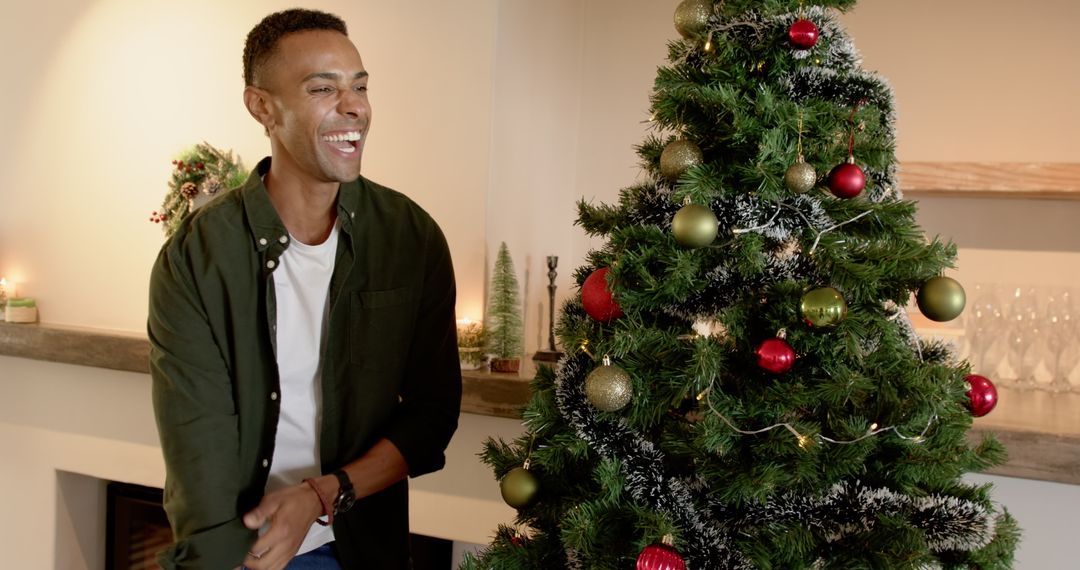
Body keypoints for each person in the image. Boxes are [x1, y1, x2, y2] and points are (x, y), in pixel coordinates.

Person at [148, 8, 462, 569]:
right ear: (262, 106)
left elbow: (432, 415)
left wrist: (322, 494)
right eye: (323, 88)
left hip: (362, 547)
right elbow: (199, 449)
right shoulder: (199, 255)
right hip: (242, 552)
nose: (354, 107)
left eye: (359, 86)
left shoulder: (410, 238)